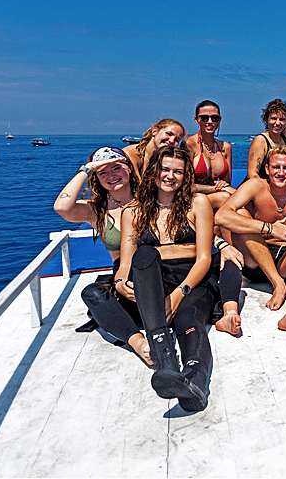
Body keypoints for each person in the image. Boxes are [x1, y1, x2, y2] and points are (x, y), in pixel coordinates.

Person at [114, 146, 225, 412]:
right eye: (165, 169)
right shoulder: (133, 211)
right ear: (154, 172)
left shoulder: (198, 203)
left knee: (190, 322)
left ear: (186, 176)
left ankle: (194, 383)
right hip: (153, 280)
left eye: (178, 171)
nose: (170, 176)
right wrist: (120, 282)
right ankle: (164, 357)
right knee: (144, 255)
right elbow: (126, 263)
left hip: (191, 279)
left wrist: (178, 294)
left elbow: (204, 259)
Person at [54, 147, 150, 364]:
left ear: (129, 169)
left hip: (155, 270)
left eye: (117, 168)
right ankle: (137, 342)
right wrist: (87, 169)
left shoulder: (149, 200)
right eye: (103, 172)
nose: (111, 175)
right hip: (124, 278)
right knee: (92, 294)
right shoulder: (96, 210)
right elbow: (62, 207)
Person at [214, 146, 286, 333]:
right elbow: (221, 216)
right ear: (267, 169)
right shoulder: (256, 186)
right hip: (254, 261)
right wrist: (269, 228)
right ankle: (278, 284)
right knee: (241, 215)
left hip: (284, 260)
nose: (281, 173)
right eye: (276, 167)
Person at [247, 71, 286, 181]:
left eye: (282, 119)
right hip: (260, 186)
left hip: (278, 186)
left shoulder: (285, 134)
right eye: (273, 119)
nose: (277, 123)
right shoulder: (261, 141)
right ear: (267, 120)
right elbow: (252, 174)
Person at [184, 100, 234, 209]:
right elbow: (185, 185)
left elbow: (227, 183)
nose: (210, 121)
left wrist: (222, 185)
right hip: (193, 199)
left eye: (214, 118)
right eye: (204, 118)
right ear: (197, 119)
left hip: (217, 198)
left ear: (219, 120)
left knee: (241, 209)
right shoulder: (189, 145)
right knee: (227, 197)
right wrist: (216, 188)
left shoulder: (225, 148)